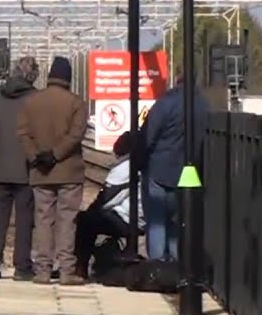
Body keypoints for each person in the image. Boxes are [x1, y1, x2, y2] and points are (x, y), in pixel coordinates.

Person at [17, 55, 88, 285]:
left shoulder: (31, 102)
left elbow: (23, 133)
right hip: (69, 171)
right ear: (68, 78)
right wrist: (56, 155)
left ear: (49, 77)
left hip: (40, 172)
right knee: (67, 219)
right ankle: (67, 271)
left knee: (43, 219)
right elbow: (76, 135)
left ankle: (43, 270)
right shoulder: (76, 103)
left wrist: (36, 156)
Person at [0, 56, 39, 281]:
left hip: (1, 168)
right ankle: (22, 267)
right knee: (25, 220)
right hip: (26, 169)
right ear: (32, 76)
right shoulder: (35, 98)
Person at [139, 74, 208, 261]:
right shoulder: (203, 106)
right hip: (189, 174)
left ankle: (158, 265)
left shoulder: (165, 104)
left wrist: (140, 161)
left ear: (176, 81)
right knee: (176, 223)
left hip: (159, 170)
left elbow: (147, 137)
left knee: (156, 221)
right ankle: (177, 268)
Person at [73, 130, 144, 281]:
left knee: (85, 220)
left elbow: (106, 199)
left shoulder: (125, 168)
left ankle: (80, 266)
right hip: (142, 217)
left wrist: (91, 211)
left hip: (128, 220)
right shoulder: (143, 163)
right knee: (91, 218)